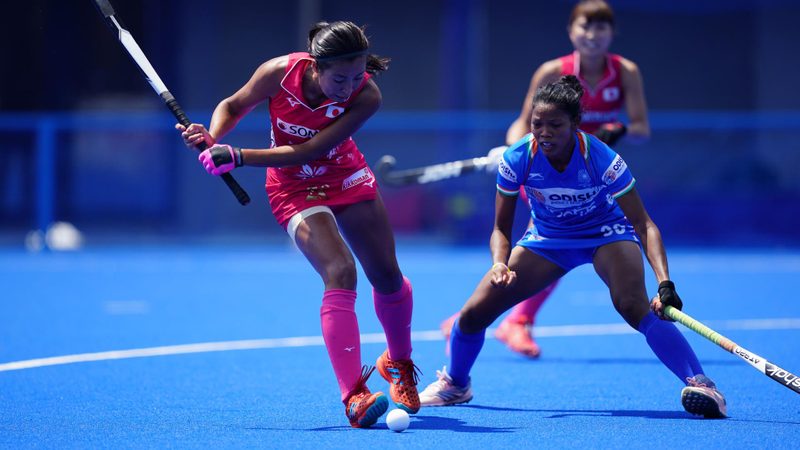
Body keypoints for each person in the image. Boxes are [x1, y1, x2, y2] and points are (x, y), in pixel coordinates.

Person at [420, 75, 726, 419]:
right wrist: (499, 263)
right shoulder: (517, 158)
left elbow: (644, 225)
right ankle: (456, 384)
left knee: (632, 305)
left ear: (574, 124)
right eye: (537, 124)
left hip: (606, 234)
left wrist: (665, 283)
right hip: (548, 240)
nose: (544, 133)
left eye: (555, 125)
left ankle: (703, 385)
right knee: (474, 314)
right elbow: (501, 229)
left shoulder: (601, 157)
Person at [176, 21, 419, 429]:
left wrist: (238, 156)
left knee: (388, 278)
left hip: (346, 175)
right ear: (315, 66)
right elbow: (233, 106)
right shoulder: (278, 73)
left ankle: (399, 362)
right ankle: (354, 396)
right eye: (339, 79)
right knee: (340, 270)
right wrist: (212, 137)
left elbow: (310, 149)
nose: (348, 87)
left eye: (357, 76)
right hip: (292, 188)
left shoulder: (367, 96)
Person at [441, 0, 651, 359]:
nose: (593, 35)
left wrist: (620, 129)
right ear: (571, 31)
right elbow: (524, 123)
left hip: (592, 178)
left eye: (601, 27)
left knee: (555, 246)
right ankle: (512, 320)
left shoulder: (625, 71)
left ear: (612, 33)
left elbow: (642, 129)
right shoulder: (552, 71)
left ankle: (483, 317)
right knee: (553, 242)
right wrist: (512, 150)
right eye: (585, 26)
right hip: (547, 171)